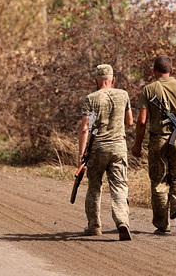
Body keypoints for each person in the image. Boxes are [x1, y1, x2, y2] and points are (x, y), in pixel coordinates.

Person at [131, 55, 176, 234]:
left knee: (159, 180)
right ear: (171, 70)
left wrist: (137, 144)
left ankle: (162, 224)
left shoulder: (149, 89)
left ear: (154, 71)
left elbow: (142, 122)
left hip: (157, 139)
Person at [79, 64, 134, 241]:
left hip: (98, 148)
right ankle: (122, 221)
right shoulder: (123, 94)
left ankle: (94, 226)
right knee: (119, 186)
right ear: (113, 80)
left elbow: (85, 128)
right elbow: (130, 121)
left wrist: (81, 155)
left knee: (94, 187)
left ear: (96, 80)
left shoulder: (91, 98)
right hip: (119, 147)